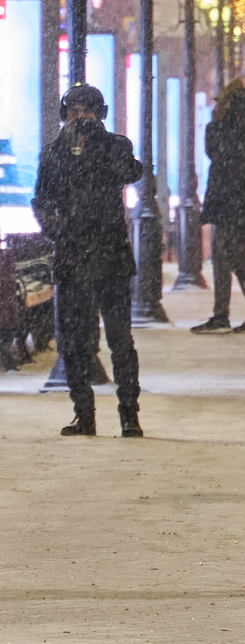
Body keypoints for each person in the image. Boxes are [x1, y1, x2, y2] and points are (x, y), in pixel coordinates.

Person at [32, 83, 144, 437]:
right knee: (73, 342)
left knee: (120, 340)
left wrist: (98, 141)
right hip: (73, 256)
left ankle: (129, 414)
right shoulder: (55, 152)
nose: (79, 117)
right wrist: (59, 231)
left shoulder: (115, 145)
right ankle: (84, 413)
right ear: (64, 114)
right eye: (74, 111)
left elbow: (132, 171)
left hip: (110, 256)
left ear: (100, 114)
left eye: (87, 111)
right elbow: (41, 200)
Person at [192, 78, 245, 334]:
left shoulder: (227, 128)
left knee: (232, 258)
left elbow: (215, 153)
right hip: (233, 203)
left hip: (227, 204)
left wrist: (215, 121)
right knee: (228, 257)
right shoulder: (242, 128)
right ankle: (228, 313)